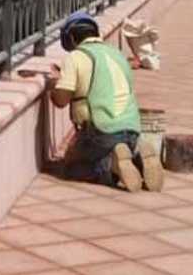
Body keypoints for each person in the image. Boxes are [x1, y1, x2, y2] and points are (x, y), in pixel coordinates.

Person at [46, 11, 163, 192]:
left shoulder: (75, 57)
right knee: (122, 150)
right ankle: (139, 155)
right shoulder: (117, 54)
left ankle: (109, 165)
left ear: (71, 38)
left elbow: (61, 101)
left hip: (101, 132)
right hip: (133, 130)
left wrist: (55, 84)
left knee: (72, 168)